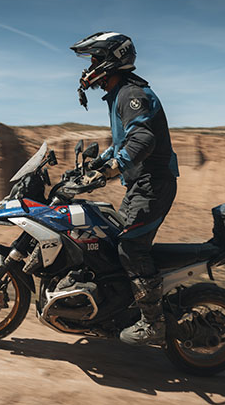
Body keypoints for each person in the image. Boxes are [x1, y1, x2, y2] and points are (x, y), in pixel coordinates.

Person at [70, 31, 179, 346]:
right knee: (106, 240)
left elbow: (142, 140)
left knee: (130, 247)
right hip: (142, 185)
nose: (89, 67)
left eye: (93, 58)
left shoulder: (131, 93)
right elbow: (123, 143)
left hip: (152, 185)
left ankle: (153, 322)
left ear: (110, 59)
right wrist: (93, 166)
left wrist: (109, 170)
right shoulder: (120, 95)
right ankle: (116, 309)